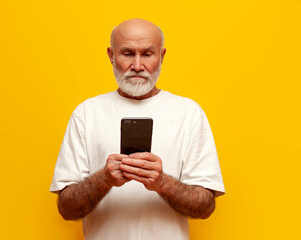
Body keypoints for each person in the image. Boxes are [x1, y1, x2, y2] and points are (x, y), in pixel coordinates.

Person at [50, 18, 225, 239]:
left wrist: (162, 182)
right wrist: (105, 179)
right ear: (111, 55)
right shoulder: (86, 113)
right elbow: (66, 208)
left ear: (161, 57)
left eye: (147, 54)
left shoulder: (189, 113)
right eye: (127, 53)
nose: (137, 66)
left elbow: (205, 207)